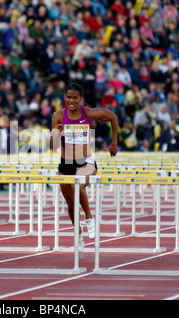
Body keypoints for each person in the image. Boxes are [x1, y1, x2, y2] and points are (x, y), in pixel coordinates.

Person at [51, 82, 118, 250]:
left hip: (85, 160)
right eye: (68, 97)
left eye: (75, 98)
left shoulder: (89, 113)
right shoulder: (58, 116)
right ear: (64, 98)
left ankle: (89, 217)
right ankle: (78, 234)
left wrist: (114, 142)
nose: (71, 101)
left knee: (78, 185)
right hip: (66, 163)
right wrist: (57, 133)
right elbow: (53, 145)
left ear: (81, 99)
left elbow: (113, 117)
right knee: (71, 206)